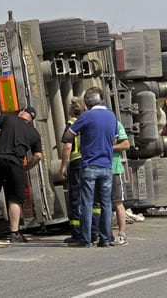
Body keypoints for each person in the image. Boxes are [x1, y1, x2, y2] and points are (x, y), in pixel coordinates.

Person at [0, 106, 43, 242]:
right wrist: (26, 167)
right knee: (15, 198)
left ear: (21, 112)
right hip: (15, 162)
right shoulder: (35, 133)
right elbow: (38, 156)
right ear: (31, 119)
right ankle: (14, 233)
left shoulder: (9, 118)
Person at [64, 87, 117, 248]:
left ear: (87, 102)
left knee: (86, 203)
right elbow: (114, 141)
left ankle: (86, 239)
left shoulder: (86, 116)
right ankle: (105, 238)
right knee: (106, 204)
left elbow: (68, 135)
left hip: (89, 164)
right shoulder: (111, 116)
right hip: (106, 166)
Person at [58, 97, 86, 243]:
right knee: (89, 197)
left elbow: (68, 146)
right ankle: (92, 230)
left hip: (75, 163)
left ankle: (76, 233)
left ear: (73, 109)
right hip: (88, 162)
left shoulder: (71, 124)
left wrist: (62, 166)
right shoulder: (88, 122)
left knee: (75, 197)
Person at [111, 120, 130, 246]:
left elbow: (126, 145)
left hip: (113, 169)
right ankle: (107, 235)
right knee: (103, 204)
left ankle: (122, 234)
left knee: (117, 202)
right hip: (98, 168)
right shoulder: (92, 122)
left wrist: (109, 148)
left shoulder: (115, 123)